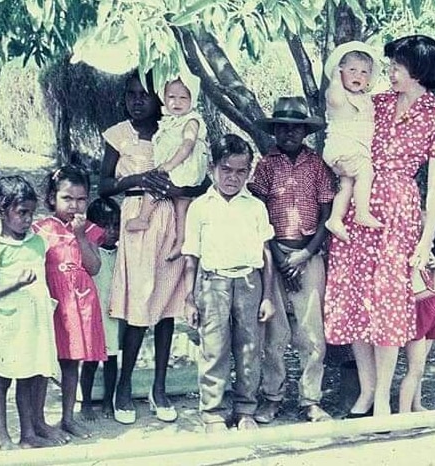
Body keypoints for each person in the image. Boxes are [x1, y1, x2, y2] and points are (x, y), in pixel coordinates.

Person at [323, 35, 435, 419]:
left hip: (398, 216)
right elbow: (342, 131)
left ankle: (382, 400)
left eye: (396, 66)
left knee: (389, 306)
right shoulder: (374, 103)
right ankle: (366, 391)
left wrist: (425, 242)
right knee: (358, 301)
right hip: (357, 211)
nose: (389, 73)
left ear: (418, 71)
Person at [99, 71, 209, 425]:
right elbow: (103, 185)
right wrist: (137, 179)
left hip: (172, 218)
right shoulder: (119, 135)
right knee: (137, 304)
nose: (137, 101)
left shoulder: (174, 128)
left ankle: (159, 387)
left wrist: (180, 191)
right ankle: (123, 387)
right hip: (137, 218)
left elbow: (199, 177)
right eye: (131, 94)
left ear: (160, 98)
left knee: (166, 305)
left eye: (144, 95)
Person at [182, 134, 276, 433]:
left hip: (249, 282)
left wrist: (268, 296)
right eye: (226, 170)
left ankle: (245, 408)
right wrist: (189, 297)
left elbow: (266, 253)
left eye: (240, 171)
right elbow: (191, 255)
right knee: (215, 348)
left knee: (249, 348)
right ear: (213, 168)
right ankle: (213, 412)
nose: (233, 177)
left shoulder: (255, 207)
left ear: (249, 171)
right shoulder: (200, 207)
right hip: (214, 284)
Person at [249, 96, 334, 424]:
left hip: (308, 255)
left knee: (312, 333)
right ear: (275, 131)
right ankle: (272, 396)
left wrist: (306, 253)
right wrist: (278, 255)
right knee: (274, 334)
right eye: (282, 128)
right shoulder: (266, 165)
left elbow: (327, 214)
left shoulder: (317, 165)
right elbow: (256, 212)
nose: (288, 134)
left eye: (294, 128)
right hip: (273, 256)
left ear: (304, 131)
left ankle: (310, 399)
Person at [0, 175, 59, 449]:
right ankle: (3, 438)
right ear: (1, 210)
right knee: (2, 380)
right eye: (21, 212)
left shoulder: (37, 242)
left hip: (32, 323)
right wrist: (15, 284)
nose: (27, 219)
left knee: (29, 376)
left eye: (31, 213)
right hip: (7, 325)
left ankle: (28, 434)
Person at [32, 165, 106, 438]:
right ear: (52, 198)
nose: (75, 205)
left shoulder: (90, 230)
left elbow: (94, 266)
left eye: (81, 199)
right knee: (44, 360)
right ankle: (39, 422)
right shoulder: (39, 229)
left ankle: (67, 418)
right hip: (52, 301)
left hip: (80, 303)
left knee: (71, 361)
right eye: (67, 198)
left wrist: (80, 236)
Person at [125, 73, 209, 262]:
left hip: (182, 168)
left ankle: (143, 218)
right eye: (171, 97)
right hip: (182, 171)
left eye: (183, 98)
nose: (176, 102)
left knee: (154, 185)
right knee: (182, 210)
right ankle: (181, 242)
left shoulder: (191, 121)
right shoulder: (170, 120)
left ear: (192, 99)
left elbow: (187, 145)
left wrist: (169, 165)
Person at [322, 41, 384, 241]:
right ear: (340, 72)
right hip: (342, 147)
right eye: (352, 70)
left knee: (347, 184)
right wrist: (335, 80)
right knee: (366, 172)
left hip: (353, 151)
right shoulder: (339, 95)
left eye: (365, 72)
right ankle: (362, 213)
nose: (359, 75)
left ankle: (335, 219)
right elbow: (334, 100)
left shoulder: (365, 98)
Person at [79, 197, 122, 421]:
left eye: (116, 225)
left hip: (112, 315)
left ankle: (108, 402)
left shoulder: (121, 254)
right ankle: (86, 402)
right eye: (106, 225)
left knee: (112, 359)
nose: (112, 231)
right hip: (93, 316)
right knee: (90, 361)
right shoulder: (89, 253)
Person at [399, 226, 435, 413]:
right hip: (417, 311)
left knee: (420, 366)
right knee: (415, 368)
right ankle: (403, 416)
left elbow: (433, 288)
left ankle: (416, 404)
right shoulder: (407, 252)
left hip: (432, 308)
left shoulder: (426, 253)